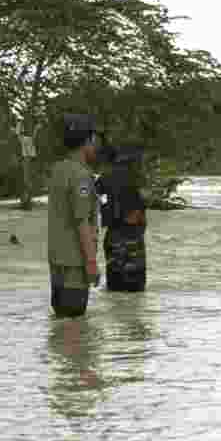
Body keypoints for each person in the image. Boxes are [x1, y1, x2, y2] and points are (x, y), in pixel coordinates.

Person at [47, 114, 100, 318]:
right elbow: (82, 221)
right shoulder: (81, 176)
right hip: (74, 265)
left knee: (62, 324)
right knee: (74, 328)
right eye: (93, 140)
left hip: (56, 262)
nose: (95, 145)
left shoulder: (58, 170)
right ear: (86, 141)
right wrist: (91, 263)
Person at [97, 146, 147, 291]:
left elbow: (93, 200)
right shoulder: (135, 177)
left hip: (114, 235)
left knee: (114, 287)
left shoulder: (104, 178)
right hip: (134, 236)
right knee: (136, 290)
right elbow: (142, 209)